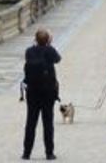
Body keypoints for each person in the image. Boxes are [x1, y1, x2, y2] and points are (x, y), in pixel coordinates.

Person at [22, 29, 61, 161]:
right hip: (48, 91)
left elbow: (28, 60)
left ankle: (26, 152)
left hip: (32, 91)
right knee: (48, 123)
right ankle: (49, 153)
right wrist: (49, 44)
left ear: (35, 39)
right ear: (47, 40)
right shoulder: (49, 50)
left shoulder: (29, 51)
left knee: (31, 122)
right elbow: (58, 59)